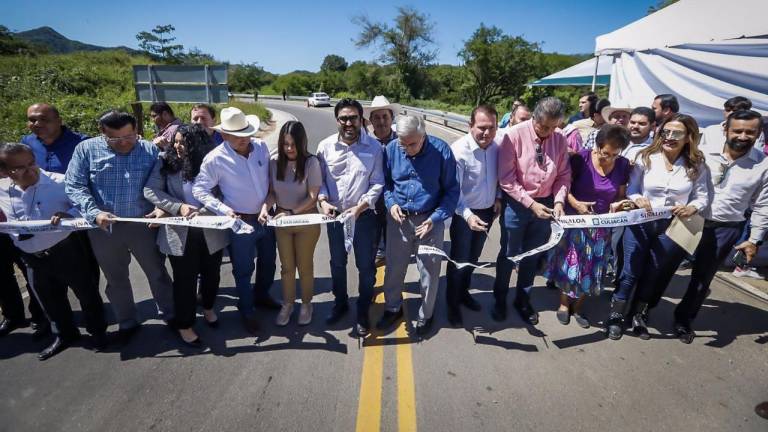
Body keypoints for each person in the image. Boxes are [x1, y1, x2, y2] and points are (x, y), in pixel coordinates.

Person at [65, 110, 175, 344]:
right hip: (104, 228)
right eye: (116, 139)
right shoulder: (86, 150)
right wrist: (94, 213)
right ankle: (127, 321)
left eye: (130, 136)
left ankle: (171, 314)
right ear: (102, 132)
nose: (125, 143)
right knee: (115, 279)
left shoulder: (149, 150)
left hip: (144, 224)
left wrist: (161, 208)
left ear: (136, 130)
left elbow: (162, 183)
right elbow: (74, 185)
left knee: (157, 273)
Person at [606, 113, 710, 340]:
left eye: (677, 133)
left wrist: (692, 207)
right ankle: (616, 314)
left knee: (654, 272)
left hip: (672, 226)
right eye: (666, 132)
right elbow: (632, 188)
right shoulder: (645, 156)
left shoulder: (696, 164)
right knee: (630, 271)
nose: (670, 137)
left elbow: (702, 197)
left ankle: (639, 315)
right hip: (641, 222)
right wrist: (637, 198)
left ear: (689, 137)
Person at [0, 143, 107, 360]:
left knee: (86, 293)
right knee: (48, 299)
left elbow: (86, 207)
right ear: (5, 171)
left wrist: (70, 214)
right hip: (30, 256)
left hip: (66, 250)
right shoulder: (2, 189)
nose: (30, 170)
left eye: (31, 163)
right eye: (19, 167)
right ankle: (65, 334)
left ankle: (98, 333)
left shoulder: (60, 182)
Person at [673, 110, 768, 343]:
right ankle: (642, 311)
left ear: (758, 134)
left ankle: (683, 320)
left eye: (750, 132)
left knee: (702, 278)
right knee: (664, 267)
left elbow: (763, 205)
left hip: (727, 228)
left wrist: (754, 239)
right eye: (738, 130)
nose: (743, 136)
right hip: (689, 220)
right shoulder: (703, 154)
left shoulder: (763, 166)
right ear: (726, 129)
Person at [193, 107, 279, 335]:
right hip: (240, 222)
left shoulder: (260, 147)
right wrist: (223, 209)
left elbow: (269, 181)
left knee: (269, 262)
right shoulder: (215, 159)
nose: (244, 139)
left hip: (265, 218)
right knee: (243, 269)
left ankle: (262, 295)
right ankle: (247, 309)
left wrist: (266, 206)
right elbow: (200, 189)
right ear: (225, 135)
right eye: (238, 136)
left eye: (247, 133)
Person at [143, 124, 228, 347]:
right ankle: (185, 324)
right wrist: (176, 207)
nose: (179, 147)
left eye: (185, 143)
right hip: (179, 233)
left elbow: (223, 192)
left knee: (212, 274)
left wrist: (204, 211)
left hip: (210, 228)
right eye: (177, 142)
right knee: (185, 281)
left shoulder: (212, 162)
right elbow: (151, 190)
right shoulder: (165, 160)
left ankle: (208, 307)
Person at [376, 114, 459, 335]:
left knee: (429, 272)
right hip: (399, 219)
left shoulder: (442, 151)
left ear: (423, 136)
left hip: (430, 219)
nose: (406, 149)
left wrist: (436, 218)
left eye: (412, 144)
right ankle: (393, 308)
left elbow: (452, 190)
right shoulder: (392, 148)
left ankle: (426, 315)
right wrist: (391, 203)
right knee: (394, 268)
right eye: (403, 143)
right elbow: (385, 184)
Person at [493, 97, 572, 325]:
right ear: (534, 117)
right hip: (518, 205)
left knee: (532, 255)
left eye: (553, 127)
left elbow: (564, 175)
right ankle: (500, 298)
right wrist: (531, 204)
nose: (548, 132)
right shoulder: (514, 135)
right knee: (509, 253)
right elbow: (506, 179)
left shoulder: (558, 139)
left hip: (546, 203)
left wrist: (558, 201)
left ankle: (523, 299)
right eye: (543, 126)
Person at [544, 125, 632, 328]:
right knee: (571, 264)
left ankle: (579, 306)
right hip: (575, 223)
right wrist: (576, 204)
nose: (609, 159)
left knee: (592, 268)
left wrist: (621, 204)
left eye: (615, 155)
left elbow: (621, 195)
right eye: (605, 153)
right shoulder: (580, 159)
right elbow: (564, 187)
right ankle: (564, 304)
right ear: (597, 145)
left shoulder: (623, 165)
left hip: (602, 228)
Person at [316, 99, 384, 335]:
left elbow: (377, 184)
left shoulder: (374, 148)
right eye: (343, 118)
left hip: (363, 217)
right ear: (337, 120)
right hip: (335, 217)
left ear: (360, 120)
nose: (348, 123)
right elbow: (320, 180)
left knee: (365, 266)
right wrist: (323, 201)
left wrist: (360, 207)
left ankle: (363, 308)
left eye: (353, 118)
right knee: (337, 263)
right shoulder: (325, 147)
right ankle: (340, 303)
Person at [259, 121, 322, 327]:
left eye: (293, 144)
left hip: (306, 221)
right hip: (282, 222)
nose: (289, 149)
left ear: (302, 142)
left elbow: (313, 197)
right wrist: (264, 208)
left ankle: (306, 303)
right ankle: (288, 303)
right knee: (287, 268)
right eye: (285, 144)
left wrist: (291, 212)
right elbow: (271, 193)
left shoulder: (311, 163)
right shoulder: (275, 162)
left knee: (304, 266)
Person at [446, 105, 500, 327]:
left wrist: (498, 198)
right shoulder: (458, 151)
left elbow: (501, 177)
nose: (486, 133)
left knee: (473, 258)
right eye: (481, 128)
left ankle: (463, 293)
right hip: (464, 214)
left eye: (492, 128)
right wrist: (467, 215)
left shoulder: (498, 148)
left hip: (488, 211)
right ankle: (451, 303)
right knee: (459, 260)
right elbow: (453, 190)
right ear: (470, 126)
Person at [364, 96, 399, 264]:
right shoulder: (365, 143)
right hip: (373, 198)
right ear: (370, 120)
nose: (381, 121)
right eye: (376, 117)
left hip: (397, 198)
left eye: (385, 116)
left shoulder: (403, 141)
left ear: (392, 118)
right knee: (373, 236)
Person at [22, 103, 89, 174]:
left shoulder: (84, 144)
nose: (37, 124)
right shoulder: (27, 142)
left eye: (43, 119)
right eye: (32, 120)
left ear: (59, 121)